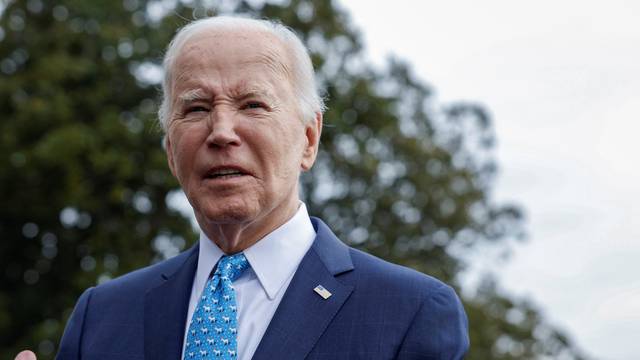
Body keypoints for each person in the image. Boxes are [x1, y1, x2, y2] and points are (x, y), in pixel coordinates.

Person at [17, 16, 469, 360]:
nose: (221, 131)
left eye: (252, 104)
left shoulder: (408, 313)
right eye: (195, 108)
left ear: (308, 139)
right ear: (171, 150)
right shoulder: (102, 316)